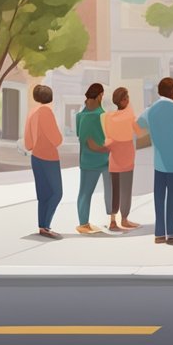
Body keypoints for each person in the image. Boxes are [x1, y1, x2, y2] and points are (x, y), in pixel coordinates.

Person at [137, 77, 173, 244]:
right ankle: (170, 233)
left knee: (159, 196)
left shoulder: (152, 109)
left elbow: (138, 126)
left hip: (159, 161)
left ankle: (159, 233)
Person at [23, 85, 63, 239]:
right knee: (56, 193)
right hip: (49, 158)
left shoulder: (32, 112)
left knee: (43, 194)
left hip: (36, 157)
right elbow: (57, 139)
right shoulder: (46, 111)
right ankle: (46, 225)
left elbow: (28, 141)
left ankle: (42, 226)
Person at [104, 87, 143, 232]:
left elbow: (107, 135)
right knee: (126, 190)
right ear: (124, 100)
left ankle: (113, 221)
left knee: (114, 190)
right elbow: (139, 133)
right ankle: (124, 220)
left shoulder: (109, 117)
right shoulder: (130, 117)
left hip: (114, 156)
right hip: (126, 157)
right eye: (127, 97)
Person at [75, 83, 111, 235]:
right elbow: (107, 136)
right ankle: (113, 220)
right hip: (104, 158)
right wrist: (102, 147)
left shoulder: (79, 116)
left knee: (84, 192)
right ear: (99, 96)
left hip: (87, 160)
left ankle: (83, 223)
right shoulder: (102, 115)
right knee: (110, 190)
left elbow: (79, 135)